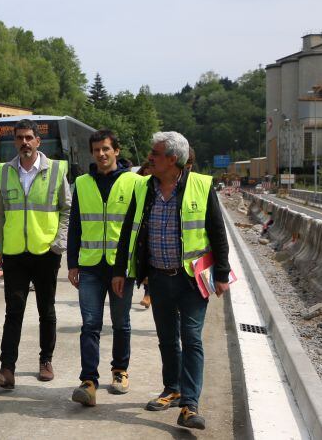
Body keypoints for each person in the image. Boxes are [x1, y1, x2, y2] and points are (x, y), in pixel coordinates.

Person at [112, 132, 230, 430]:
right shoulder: (144, 188)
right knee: (167, 338)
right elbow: (128, 232)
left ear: (173, 160)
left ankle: (190, 404)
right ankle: (172, 388)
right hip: (158, 278)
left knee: (191, 339)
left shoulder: (201, 186)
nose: (149, 157)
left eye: (156, 153)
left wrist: (223, 274)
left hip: (191, 279)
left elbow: (217, 231)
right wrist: (119, 271)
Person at [0, 119, 71, 389]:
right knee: (14, 312)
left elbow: (67, 210)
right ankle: (7, 369)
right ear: (15, 141)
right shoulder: (4, 171)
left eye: (29, 138)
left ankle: (45, 360)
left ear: (38, 141)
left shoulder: (56, 170)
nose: (24, 142)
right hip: (14, 254)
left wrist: (59, 243)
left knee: (46, 310)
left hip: (46, 252)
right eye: (20, 138)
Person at [67, 129, 139, 406]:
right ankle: (88, 381)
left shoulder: (134, 182)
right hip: (91, 266)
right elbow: (75, 226)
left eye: (106, 149)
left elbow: (138, 227)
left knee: (121, 323)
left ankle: (119, 370)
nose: (101, 154)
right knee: (90, 324)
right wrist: (72, 263)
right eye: (96, 150)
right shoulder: (82, 183)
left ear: (116, 151)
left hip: (121, 267)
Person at [135, 161, 152, 309]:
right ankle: (147, 294)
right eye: (145, 174)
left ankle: (149, 295)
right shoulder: (137, 187)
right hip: (141, 233)